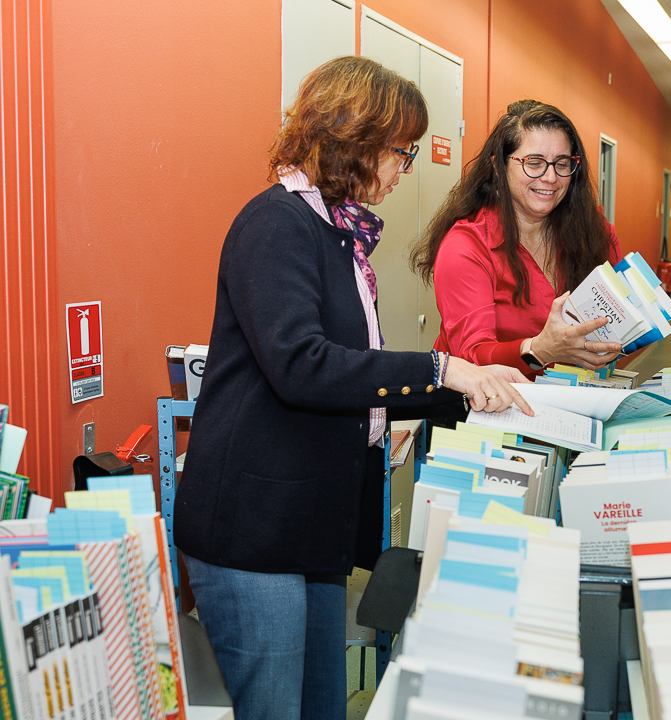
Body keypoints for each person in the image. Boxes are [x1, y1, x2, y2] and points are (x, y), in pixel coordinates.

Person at [173, 57, 532, 720]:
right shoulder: (277, 225)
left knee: (321, 708)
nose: (406, 170)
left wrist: (474, 382)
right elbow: (302, 364)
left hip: (308, 524)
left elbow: (354, 370)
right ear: (356, 141)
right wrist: (438, 367)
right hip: (254, 531)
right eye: (402, 153)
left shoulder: (339, 234)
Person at [410, 99, 624, 377]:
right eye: (533, 163)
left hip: (576, 401)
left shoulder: (595, 233)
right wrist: (540, 350)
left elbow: (617, 318)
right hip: (484, 408)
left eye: (562, 163)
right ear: (499, 168)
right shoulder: (467, 245)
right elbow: (472, 355)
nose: (550, 177)